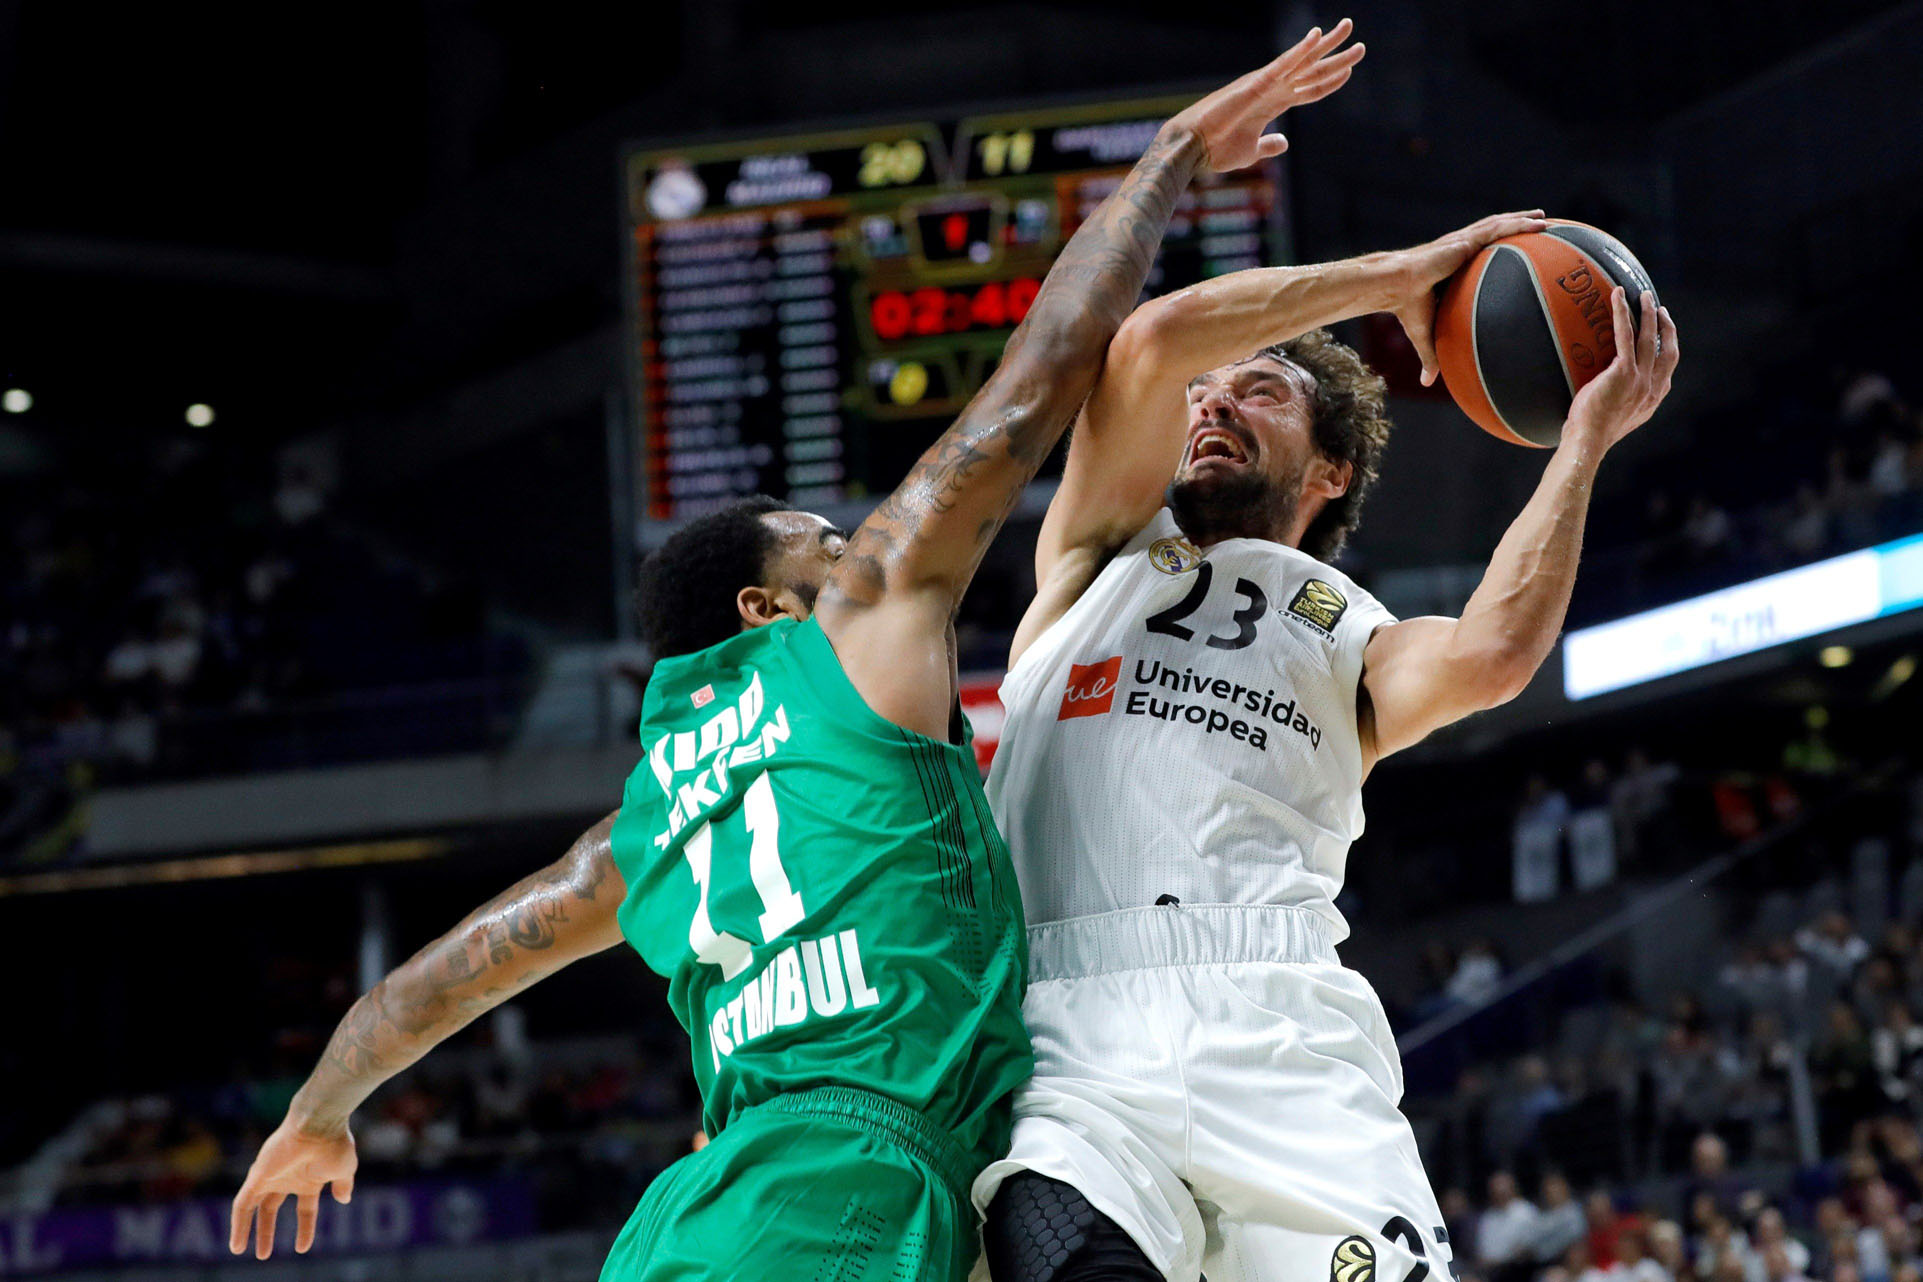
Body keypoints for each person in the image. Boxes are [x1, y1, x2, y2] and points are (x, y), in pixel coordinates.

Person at [223, 32, 1366, 1282]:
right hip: (840, 1188)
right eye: (823, 544)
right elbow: (1044, 371)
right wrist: (1170, 157)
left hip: (700, 1204)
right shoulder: (854, 637)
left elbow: (442, 977)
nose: (853, 544)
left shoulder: (642, 826)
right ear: (770, 608)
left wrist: (321, 1109)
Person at [975, 149, 1680, 1277]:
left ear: (1334, 468)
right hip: (1068, 1036)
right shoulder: (1091, 557)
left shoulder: (1356, 634)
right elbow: (1153, 343)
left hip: (1280, 1023)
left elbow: (1496, 654)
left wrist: (1583, 441)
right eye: (1211, 393)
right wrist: (1397, 275)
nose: (1213, 402)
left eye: (1259, 390)